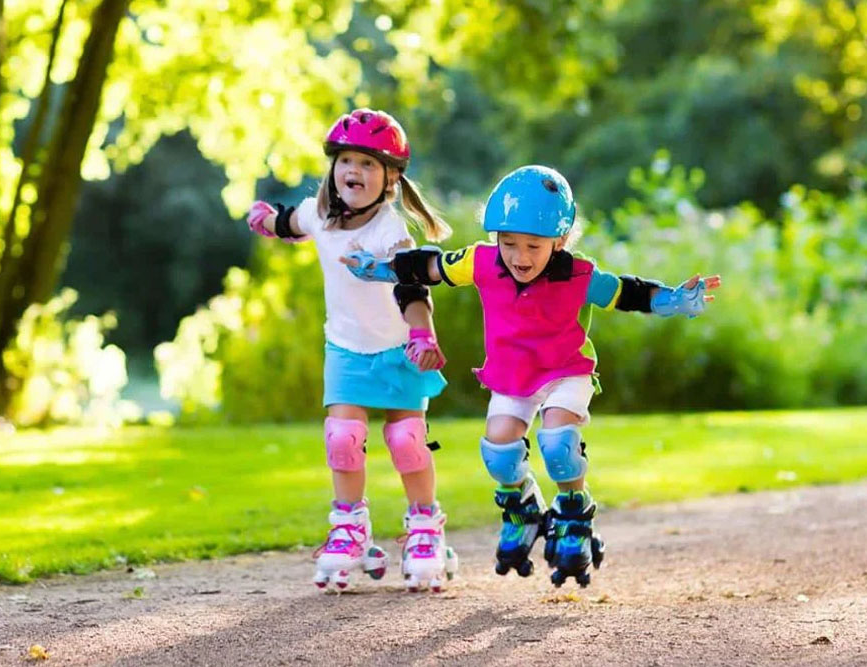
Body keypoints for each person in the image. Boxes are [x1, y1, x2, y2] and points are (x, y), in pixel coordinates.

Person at [342, 165, 721, 587]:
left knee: (558, 441)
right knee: (498, 449)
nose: (520, 257)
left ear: (559, 241)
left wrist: (671, 300)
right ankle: (523, 507)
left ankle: (574, 513)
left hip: (565, 371)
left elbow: (629, 292)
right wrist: (380, 268)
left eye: (534, 246)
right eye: (509, 243)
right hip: (512, 374)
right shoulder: (481, 263)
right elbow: (428, 266)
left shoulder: (579, 276)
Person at [245, 108, 458, 592]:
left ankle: (425, 525)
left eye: (367, 163)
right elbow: (291, 222)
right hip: (345, 349)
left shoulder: (390, 231)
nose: (353, 172)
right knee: (342, 437)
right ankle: (350, 527)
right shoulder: (320, 215)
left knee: (407, 442)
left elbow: (412, 290)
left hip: (399, 349)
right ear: (333, 167)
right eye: (346, 160)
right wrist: (267, 220)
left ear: (390, 179)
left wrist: (423, 335)